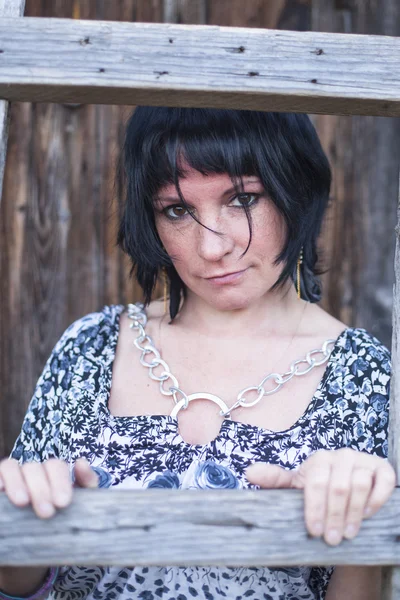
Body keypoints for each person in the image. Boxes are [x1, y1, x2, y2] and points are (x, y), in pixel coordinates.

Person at [0, 107, 395, 600]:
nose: (212, 247)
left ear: (296, 192)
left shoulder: (365, 375)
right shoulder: (90, 346)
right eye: (177, 210)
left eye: (243, 199)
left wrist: (361, 523)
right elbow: (14, 577)